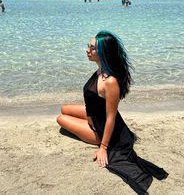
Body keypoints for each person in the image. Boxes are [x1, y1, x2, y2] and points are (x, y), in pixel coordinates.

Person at [57, 31, 168, 194]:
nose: (87, 50)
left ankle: (97, 137)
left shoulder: (110, 82)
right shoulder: (100, 69)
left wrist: (103, 147)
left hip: (99, 128)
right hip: (94, 114)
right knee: (64, 108)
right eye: (88, 46)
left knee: (61, 119)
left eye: (92, 48)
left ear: (102, 52)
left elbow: (111, 117)